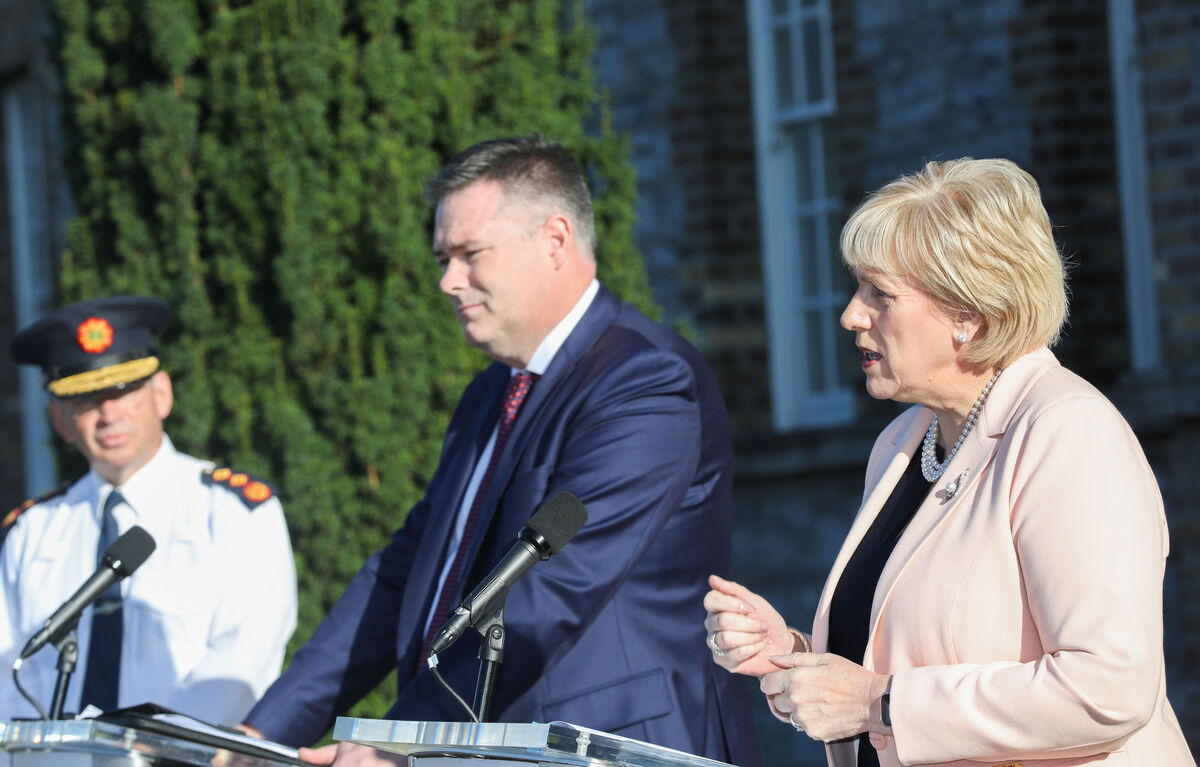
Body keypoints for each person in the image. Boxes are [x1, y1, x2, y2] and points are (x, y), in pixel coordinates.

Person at [242, 136, 759, 767]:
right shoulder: (491, 393)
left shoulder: (644, 381)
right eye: (443, 258)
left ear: (555, 240)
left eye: (470, 254)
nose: (447, 281)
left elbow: (556, 587)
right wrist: (264, 733)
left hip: (612, 747)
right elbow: (407, 572)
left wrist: (400, 740)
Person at [703, 158, 1194, 767]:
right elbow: (897, 664)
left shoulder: (1068, 430)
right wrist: (792, 656)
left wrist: (880, 704)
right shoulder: (902, 443)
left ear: (969, 314)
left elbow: (1111, 687)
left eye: (880, 294)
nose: (851, 314)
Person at [2, 295, 298, 725]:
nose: (108, 414)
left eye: (124, 391)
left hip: (185, 752)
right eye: (84, 399)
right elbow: (7, 669)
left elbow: (242, 662)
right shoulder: (32, 530)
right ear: (60, 420)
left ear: (161, 395)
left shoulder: (233, 512)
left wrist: (150, 745)